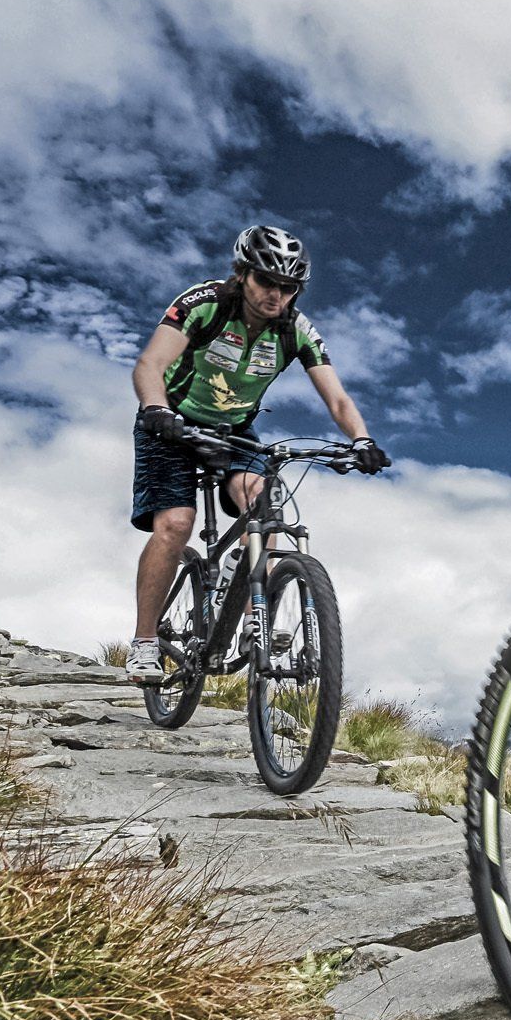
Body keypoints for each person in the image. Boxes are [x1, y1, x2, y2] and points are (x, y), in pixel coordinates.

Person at [125, 225, 391, 683]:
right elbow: (150, 364)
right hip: (170, 423)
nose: (276, 294)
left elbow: (337, 399)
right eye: (267, 281)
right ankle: (145, 642)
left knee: (262, 502)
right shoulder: (204, 304)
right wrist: (155, 408)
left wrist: (362, 440)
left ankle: (254, 621)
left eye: (288, 287)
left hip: (234, 430)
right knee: (177, 524)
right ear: (242, 274)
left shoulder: (295, 330)